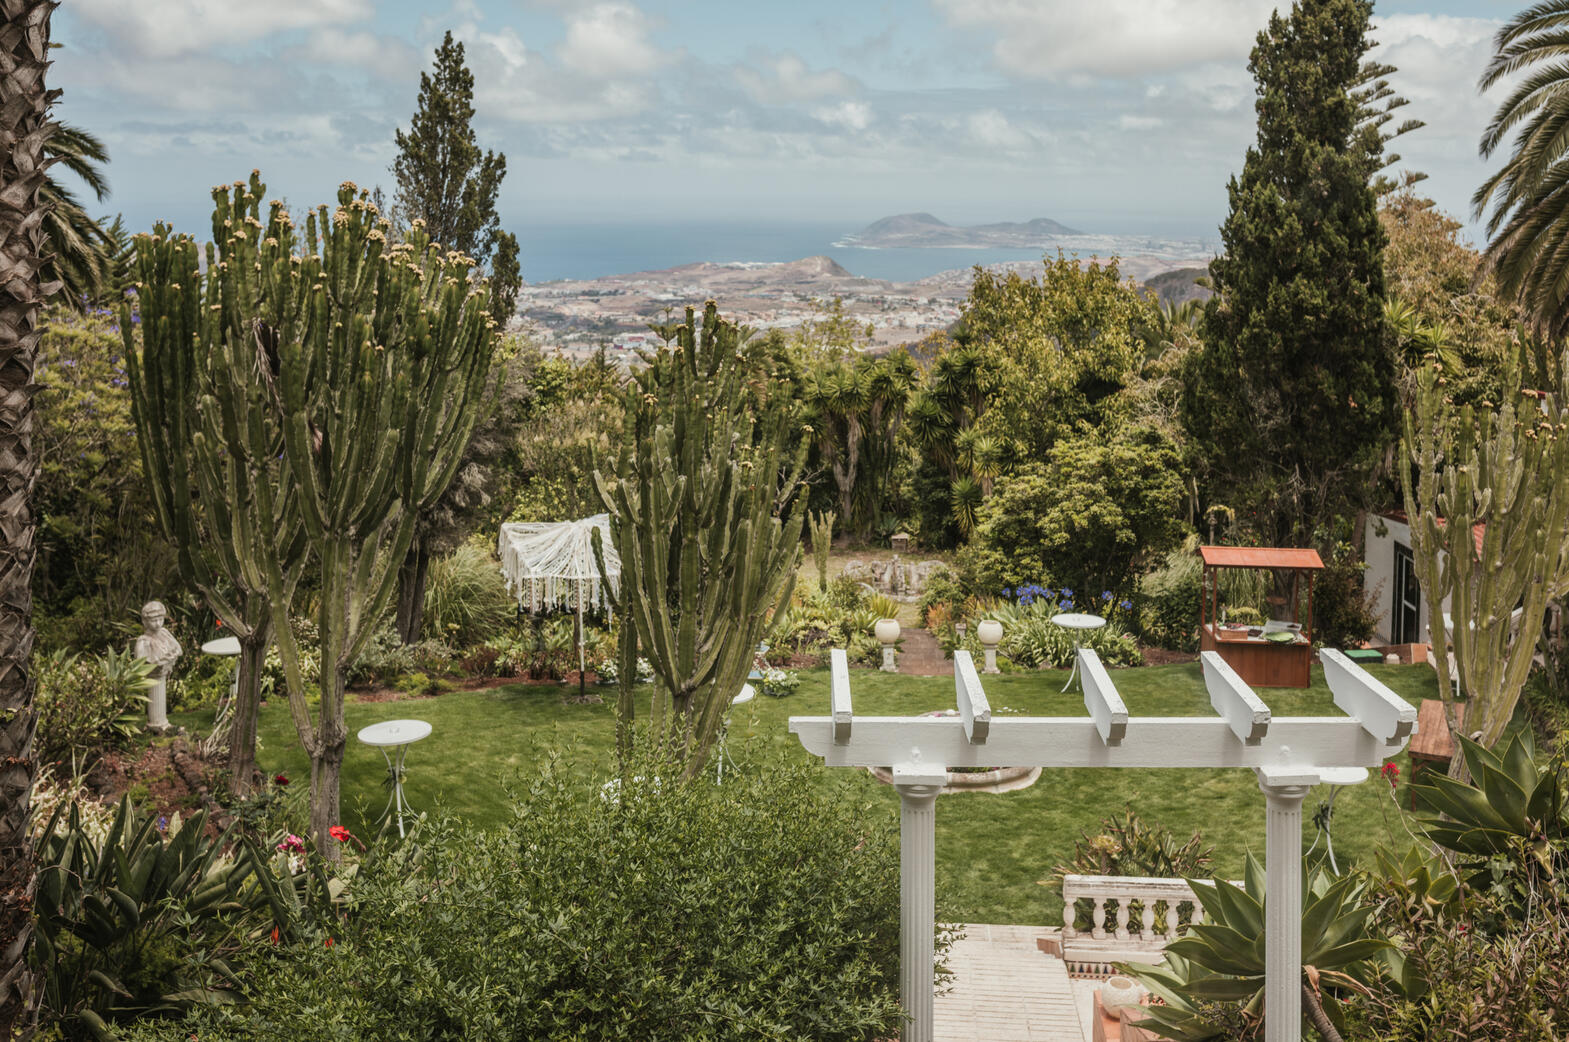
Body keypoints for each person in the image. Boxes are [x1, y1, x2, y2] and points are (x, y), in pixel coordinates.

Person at [135, 600, 182, 732]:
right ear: (145, 622)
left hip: (162, 674)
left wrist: (171, 655)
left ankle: (161, 723)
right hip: (154, 676)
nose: (157, 623)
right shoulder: (143, 642)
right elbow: (140, 662)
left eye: (160, 619)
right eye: (153, 620)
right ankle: (155, 724)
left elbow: (178, 649)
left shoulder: (165, 634)